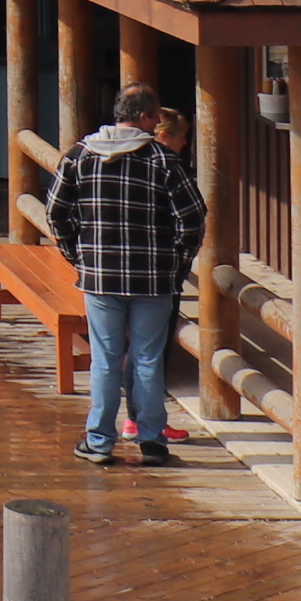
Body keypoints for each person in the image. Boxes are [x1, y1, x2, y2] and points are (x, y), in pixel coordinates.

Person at [44, 86, 208, 467]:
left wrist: (78, 256)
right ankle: (152, 440)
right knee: (148, 358)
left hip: (100, 276)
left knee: (105, 358)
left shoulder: (80, 156)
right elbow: (193, 219)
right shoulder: (164, 161)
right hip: (154, 277)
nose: (156, 123)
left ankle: (99, 441)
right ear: (145, 117)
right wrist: (177, 262)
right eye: (154, 117)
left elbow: (56, 213)